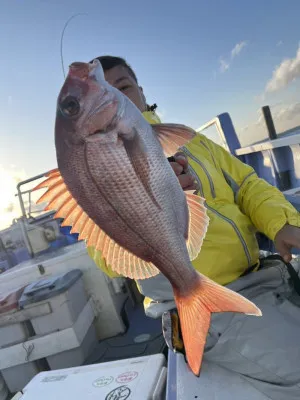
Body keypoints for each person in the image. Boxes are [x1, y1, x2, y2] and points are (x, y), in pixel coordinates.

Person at [87, 55, 300, 399]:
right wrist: (137, 203)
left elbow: (245, 181)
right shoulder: (101, 165)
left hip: (265, 271)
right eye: (104, 93)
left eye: (123, 87)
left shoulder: (191, 140)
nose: (116, 98)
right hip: (214, 311)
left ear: (140, 92)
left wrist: (282, 223)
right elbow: (102, 253)